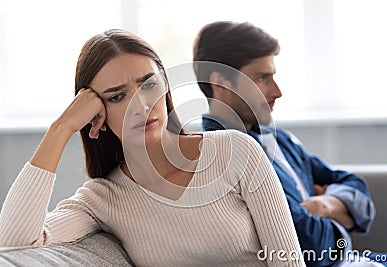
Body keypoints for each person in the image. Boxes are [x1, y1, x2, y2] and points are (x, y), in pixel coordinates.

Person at [0, 29, 305, 266]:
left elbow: (289, 261)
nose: (142, 106)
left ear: (166, 84)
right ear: (97, 115)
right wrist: (61, 128)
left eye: (148, 84)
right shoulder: (103, 199)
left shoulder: (236, 150)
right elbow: (13, 242)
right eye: (117, 97)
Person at [193, 21, 387, 267]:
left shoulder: (279, 139)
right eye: (262, 78)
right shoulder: (220, 157)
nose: (277, 91)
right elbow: (309, 245)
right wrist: (340, 217)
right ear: (220, 82)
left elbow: (355, 186)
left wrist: (322, 206)